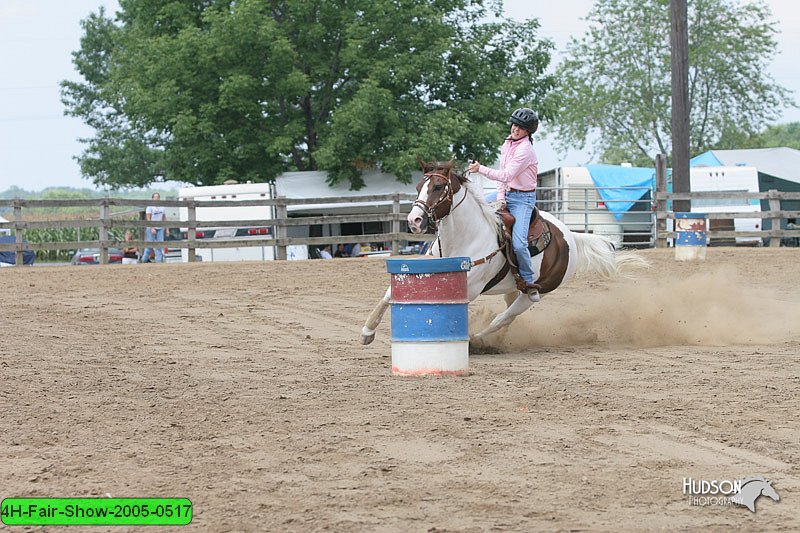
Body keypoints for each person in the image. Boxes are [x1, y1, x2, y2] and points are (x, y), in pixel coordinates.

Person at [469, 107, 540, 297]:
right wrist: (500, 198)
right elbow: (503, 179)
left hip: (523, 200)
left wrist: (480, 169)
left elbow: (507, 174)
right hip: (507, 193)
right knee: (476, 208)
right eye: (515, 124)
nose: (515, 129)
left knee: (518, 243)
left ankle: (528, 280)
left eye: (521, 127)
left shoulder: (526, 150)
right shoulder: (507, 144)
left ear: (528, 132)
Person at [141, 192, 170, 263]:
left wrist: (167, 229)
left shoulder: (162, 207)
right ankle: (144, 260)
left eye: (158, 197)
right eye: (155, 197)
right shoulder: (150, 207)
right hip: (151, 227)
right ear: (152, 198)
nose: (156, 198)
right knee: (150, 245)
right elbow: (148, 218)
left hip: (160, 228)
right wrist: (152, 227)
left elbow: (164, 218)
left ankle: (159, 261)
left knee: (159, 245)